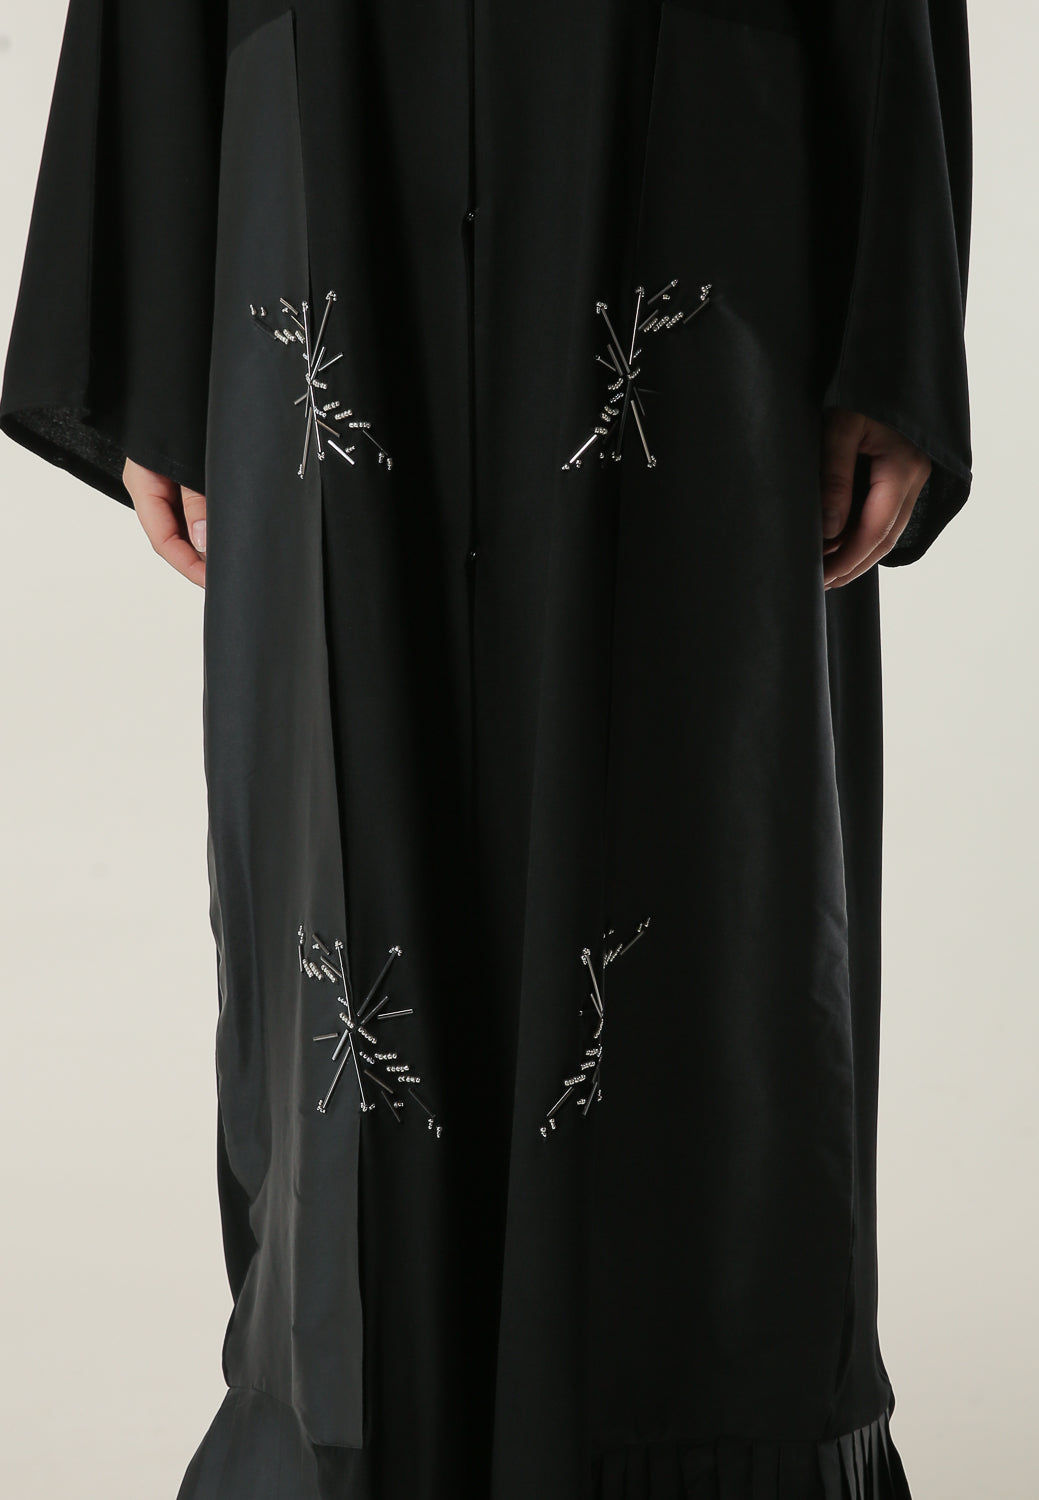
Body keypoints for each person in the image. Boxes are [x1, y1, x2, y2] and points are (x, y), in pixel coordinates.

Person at [1, 3, 971, 1498]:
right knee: (346, 860)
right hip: (328, 131)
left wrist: (889, 320)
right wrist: (159, 286)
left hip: (698, 140)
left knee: (704, 860)